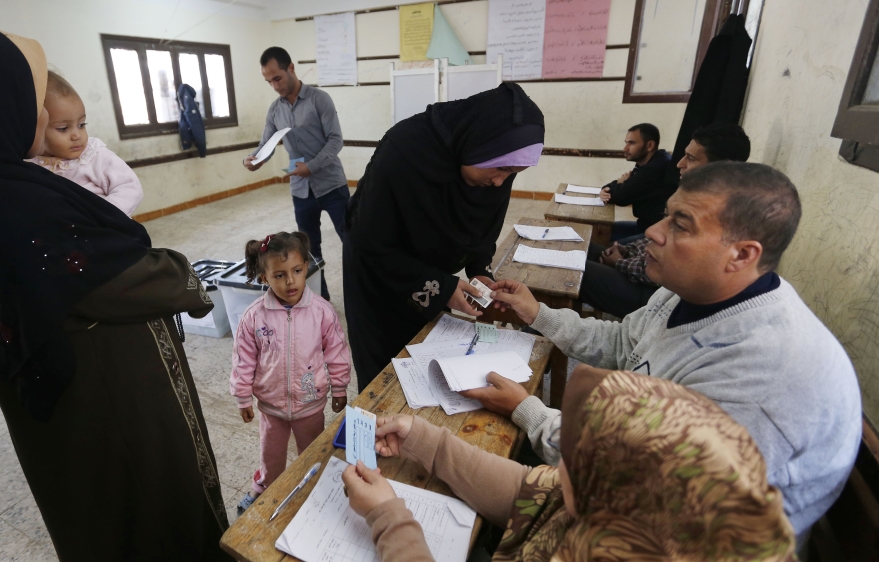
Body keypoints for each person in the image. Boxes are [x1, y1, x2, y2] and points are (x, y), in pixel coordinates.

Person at [0, 22, 229, 559]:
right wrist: (183, 273)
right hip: (108, 407)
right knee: (149, 520)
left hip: (53, 411)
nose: (46, 117)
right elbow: (124, 278)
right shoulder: (9, 203)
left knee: (89, 512)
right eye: (28, 98)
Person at [466, 162, 861, 537]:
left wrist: (528, 410)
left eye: (681, 225)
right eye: (667, 214)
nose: (654, 231)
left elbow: (636, 481)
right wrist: (538, 313)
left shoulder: (764, 377)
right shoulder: (691, 292)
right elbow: (623, 344)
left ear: (742, 254)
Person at [342, 368, 797, 561]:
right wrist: (426, 441)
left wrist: (389, 519)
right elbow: (529, 492)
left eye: (578, 460)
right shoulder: (654, 517)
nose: (562, 463)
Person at [343, 83, 545, 392]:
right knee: (384, 376)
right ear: (477, 143)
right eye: (501, 168)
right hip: (378, 278)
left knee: (426, 363)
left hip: (430, 277)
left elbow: (482, 228)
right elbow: (370, 241)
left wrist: (480, 270)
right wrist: (441, 287)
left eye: (514, 173)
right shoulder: (404, 151)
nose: (500, 181)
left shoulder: (496, 170)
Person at [230, 231, 351, 513]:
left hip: (311, 403)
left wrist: (341, 387)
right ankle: (263, 489)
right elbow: (243, 359)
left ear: (306, 267)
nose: (290, 281)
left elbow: (337, 351)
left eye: (296, 271)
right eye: (280, 275)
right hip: (271, 406)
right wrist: (242, 397)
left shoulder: (322, 311)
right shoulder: (254, 316)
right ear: (264, 277)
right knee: (270, 455)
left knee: (312, 452)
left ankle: (313, 489)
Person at [581, 123, 752, 317]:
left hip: (657, 299)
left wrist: (619, 262)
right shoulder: (696, 195)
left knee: (575, 271)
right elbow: (654, 242)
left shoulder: (716, 214)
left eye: (691, 158)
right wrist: (626, 251)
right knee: (583, 249)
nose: (680, 164)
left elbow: (660, 272)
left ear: (720, 168)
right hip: (648, 279)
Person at [244, 47, 348, 300]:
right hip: (301, 191)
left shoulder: (319, 99)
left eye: (277, 78)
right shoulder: (274, 110)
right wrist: (254, 159)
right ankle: (321, 301)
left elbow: (336, 141)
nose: (274, 85)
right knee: (308, 251)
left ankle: (362, 295)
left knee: (353, 242)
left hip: (332, 185)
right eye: (268, 81)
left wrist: (310, 166)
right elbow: (266, 144)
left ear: (291, 68)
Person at [27, 71, 143, 216]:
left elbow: (130, 186)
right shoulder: (29, 164)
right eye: (63, 129)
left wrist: (105, 215)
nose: (77, 135)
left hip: (105, 229)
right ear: (36, 127)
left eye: (82, 124)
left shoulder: (93, 154)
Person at [598, 123, 673, 241]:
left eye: (631, 143)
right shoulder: (650, 161)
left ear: (649, 145)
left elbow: (621, 198)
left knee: (604, 243)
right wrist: (612, 186)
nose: (625, 148)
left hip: (656, 234)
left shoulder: (655, 168)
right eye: (626, 142)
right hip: (644, 225)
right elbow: (619, 188)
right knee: (599, 230)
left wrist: (617, 185)